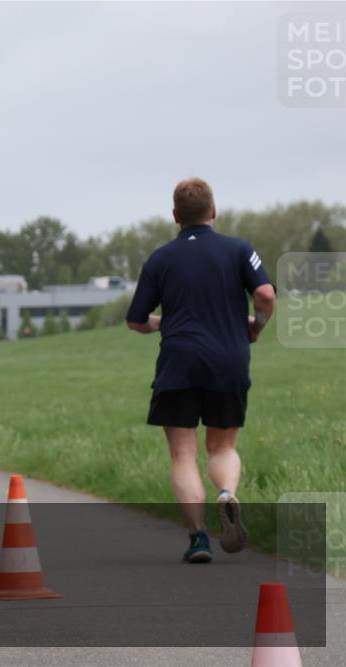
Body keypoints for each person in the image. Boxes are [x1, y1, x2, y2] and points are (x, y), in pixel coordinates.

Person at [126, 177, 276, 563]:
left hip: (178, 362)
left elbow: (136, 320)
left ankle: (198, 539)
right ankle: (226, 492)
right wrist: (256, 326)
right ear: (213, 211)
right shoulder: (239, 249)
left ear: (175, 216)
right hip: (229, 358)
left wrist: (165, 322)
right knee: (222, 446)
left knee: (183, 455)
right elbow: (265, 294)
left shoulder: (160, 259)